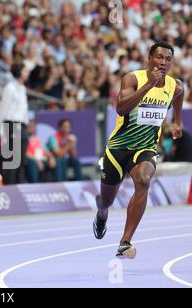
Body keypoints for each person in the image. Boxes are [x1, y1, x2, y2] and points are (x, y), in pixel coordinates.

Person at [94, 42, 184, 259]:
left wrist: (178, 122)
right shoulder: (132, 79)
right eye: (159, 57)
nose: (163, 62)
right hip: (118, 148)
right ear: (149, 58)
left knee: (144, 180)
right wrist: (149, 86)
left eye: (167, 59)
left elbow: (179, 95)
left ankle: (125, 242)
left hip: (145, 148)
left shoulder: (175, 85)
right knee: (106, 200)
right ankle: (102, 213)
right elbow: (121, 108)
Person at [0, 63, 30, 184]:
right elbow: (3, 109)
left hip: (22, 126)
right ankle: (10, 185)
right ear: (19, 72)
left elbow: (23, 109)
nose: (27, 73)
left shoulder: (22, 88)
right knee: (12, 160)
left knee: (21, 159)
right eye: (25, 70)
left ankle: (19, 184)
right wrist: (1, 132)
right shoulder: (10, 88)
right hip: (11, 125)